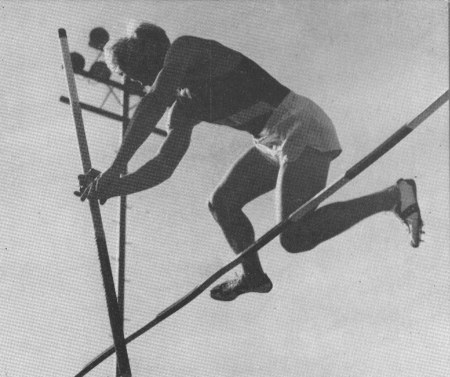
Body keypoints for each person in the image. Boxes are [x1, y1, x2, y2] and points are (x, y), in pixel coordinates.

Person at [76, 23, 424, 302]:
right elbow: (164, 165)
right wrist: (115, 187)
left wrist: (116, 167)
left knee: (295, 237)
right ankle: (253, 276)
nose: (136, 80)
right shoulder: (184, 108)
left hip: (299, 124)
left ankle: (391, 196)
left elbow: (155, 100)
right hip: (270, 143)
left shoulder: (186, 49)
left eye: (135, 70)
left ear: (152, 52)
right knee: (222, 203)